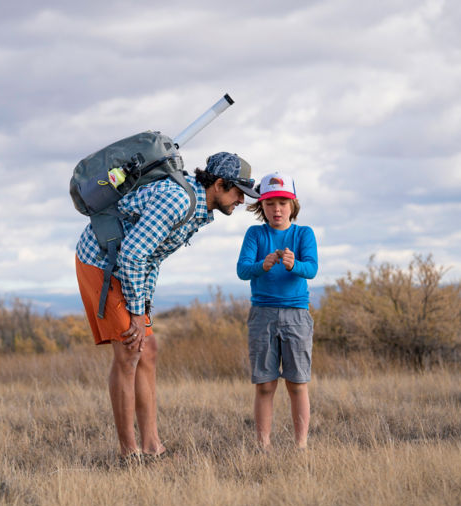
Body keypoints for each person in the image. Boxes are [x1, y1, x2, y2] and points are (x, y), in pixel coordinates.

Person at [76, 152, 257, 462]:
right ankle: (129, 453)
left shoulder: (196, 207)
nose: (241, 200)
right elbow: (134, 255)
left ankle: (152, 447)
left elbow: (152, 258)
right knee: (129, 350)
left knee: (149, 348)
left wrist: (143, 307)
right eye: (238, 191)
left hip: (125, 268)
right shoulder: (178, 201)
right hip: (101, 263)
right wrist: (135, 314)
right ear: (218, 184)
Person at [236, 172, 318, 450]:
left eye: (283, 202)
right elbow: (242, 270)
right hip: (262, 315)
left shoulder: (303, 234)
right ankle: (263, 446)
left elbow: (312, 269)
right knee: (265, 385)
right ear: (262, 206)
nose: (277, 209)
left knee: (297, 384)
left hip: (297, 315)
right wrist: (263, 264)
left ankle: (301, 446)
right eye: (270, 203)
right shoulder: (255, 234)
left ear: (293, 205)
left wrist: (294, 264)